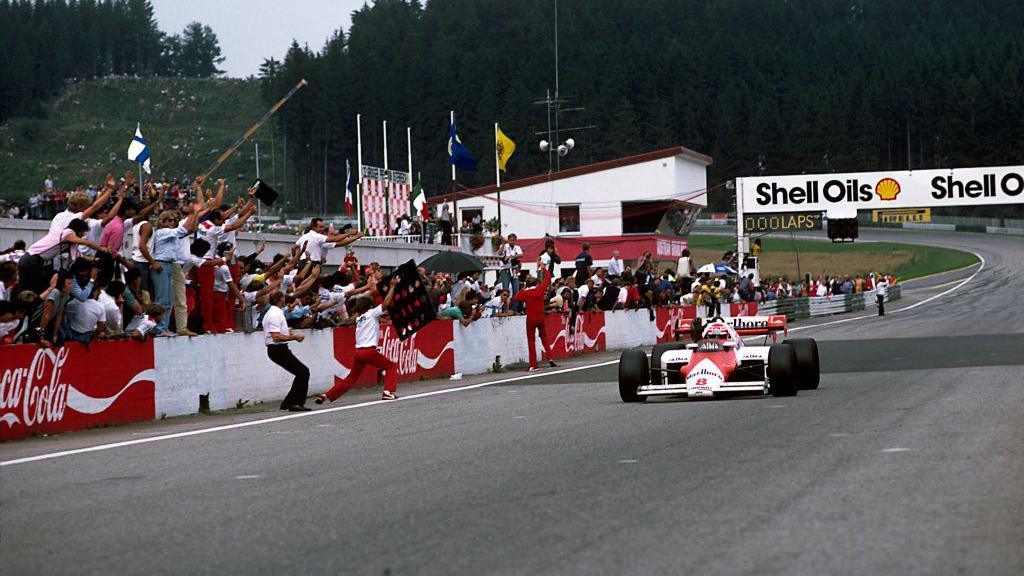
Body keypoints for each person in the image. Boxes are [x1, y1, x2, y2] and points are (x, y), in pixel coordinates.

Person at [317, 276, 401, 403]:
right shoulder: (371, 313)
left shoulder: (358, 318)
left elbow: (349, 320)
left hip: (358, 353)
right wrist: (393, 287)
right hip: (369, 351)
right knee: (391, 367)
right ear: (369, 306)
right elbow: (386, 304)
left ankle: (327, 395)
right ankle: (388, 392)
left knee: (351, 377)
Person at [263, 290, 311, 412]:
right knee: (303, 372)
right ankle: (294, 402)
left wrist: (286, 332)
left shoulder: (274, 313)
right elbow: (276, 337)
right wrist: (294, 337)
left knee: (301, 372)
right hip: (278, 349)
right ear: (280, 300)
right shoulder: (275, 314)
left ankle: (289, 402)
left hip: (278, 349)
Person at [513, 258, 556, 372]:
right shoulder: (540, 289)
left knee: (531, 341)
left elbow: (515, 298)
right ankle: (550, 357)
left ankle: (533, 364)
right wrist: (544, 268)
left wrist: (523, 288)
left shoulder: (525, 293)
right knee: (544, 337)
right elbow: (548, 279)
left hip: (531, 318)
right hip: (540, 317)